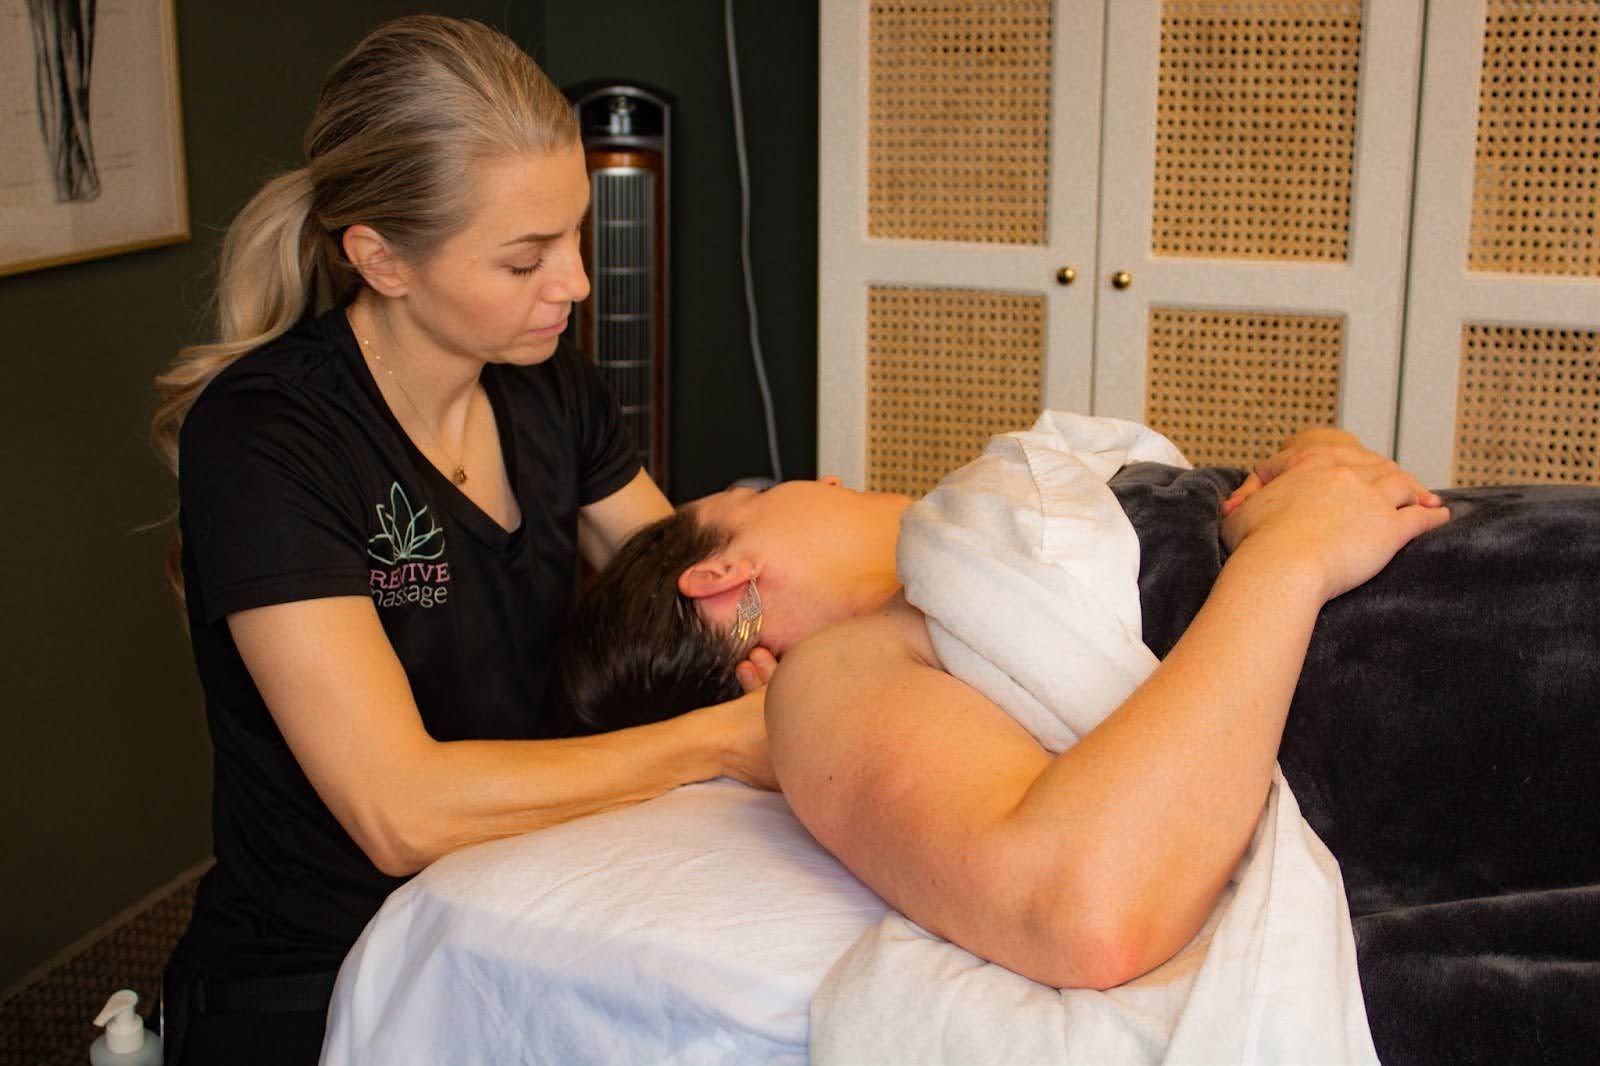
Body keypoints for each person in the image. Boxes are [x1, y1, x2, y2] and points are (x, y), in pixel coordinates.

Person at [558, 414, 1600, 1062]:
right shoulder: (839, 672)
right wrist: (1286, 558)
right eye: (763, 493)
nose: (817, 480)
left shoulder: (978, 529)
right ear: (720, 575)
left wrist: (1311, 461)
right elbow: (1082, 904)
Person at [149, 17, 775, 1064]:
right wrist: (720, 741)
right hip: (319, 962)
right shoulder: (264, 439)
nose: (574, 283)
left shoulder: (548, 385)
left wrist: (761, 633)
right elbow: (402, 809)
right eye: (525, 257)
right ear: (380, 258)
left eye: (574, 234)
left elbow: (685, 582)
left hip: (518, 898)